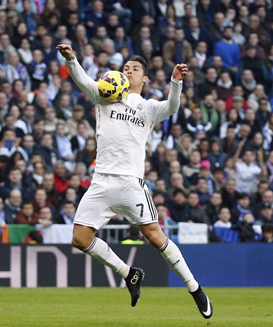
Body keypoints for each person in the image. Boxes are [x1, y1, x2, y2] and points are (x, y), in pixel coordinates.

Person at [56, 43, 212, 317]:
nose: (129, 71)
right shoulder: (103, 96)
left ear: (145, 78)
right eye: (126, 68)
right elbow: (81, 79)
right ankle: (128, 273)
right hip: (101, 181)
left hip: (131, 183)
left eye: (135, 69)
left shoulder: (148, 107)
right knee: (80, 239)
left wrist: (176, 81)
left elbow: (172, 107)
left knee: (155, 237)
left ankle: (194, 287)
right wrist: (71, 59)